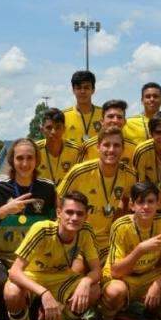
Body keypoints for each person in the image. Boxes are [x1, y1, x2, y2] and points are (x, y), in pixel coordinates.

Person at [0, 138, 57, 320]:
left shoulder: (47, 189)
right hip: (2, 256)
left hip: (35, 259)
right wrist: (1, 212)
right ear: (12, 160)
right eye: (19, 158)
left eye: (30, 157)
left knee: (29, 288)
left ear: (37, 160)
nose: (25, 163)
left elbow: (54, 227)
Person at [4, 191, 101, 320]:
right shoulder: (42, 229)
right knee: (12, 292)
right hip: (33, 276)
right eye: (69, 212)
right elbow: (14, 272)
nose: (74, 218)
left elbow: (96, 270)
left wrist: (85, 282)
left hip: (61, 277)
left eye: (80, 213)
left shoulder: (85, 231)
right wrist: (43, 292)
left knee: (94, 290)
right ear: (58, 213)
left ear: (86, 216)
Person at [101, 181, 161, 320]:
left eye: (150, 201)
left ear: (158, 204)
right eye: (140, 202)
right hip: (123, 277)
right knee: (115, 292)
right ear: (131, 205)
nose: (146, 206)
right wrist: (139, 250)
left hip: (147, 274)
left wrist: (158, 285)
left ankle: (149, 316)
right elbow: (116, 272)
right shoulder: (121, 226)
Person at [58, 126, 137, 263]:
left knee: (118, 271)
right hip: (78, 236)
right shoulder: (79, 171)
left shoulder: (129, 175)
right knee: (78, 269)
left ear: (123, 149)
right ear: (98, 147)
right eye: (106, 145)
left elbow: (126, 202)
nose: (111, 150)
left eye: (116, 145)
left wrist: (115, 226)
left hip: (106, 241)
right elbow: (59, 199)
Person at [35, 108, 84, 186]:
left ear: (64, 129)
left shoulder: (76, 150)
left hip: (68, 197)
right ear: (42, 129)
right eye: (49, 128)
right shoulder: (34, 150)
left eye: (58, 127)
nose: (53, 132)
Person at [81, 99, 138, 166]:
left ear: (124, 122)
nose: (115, 120)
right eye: (110, 116)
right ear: (102, 121)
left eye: (119, 117)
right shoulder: (88, 147)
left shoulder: (134, 148)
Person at [62, 70, 103, 143]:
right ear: (73, 90)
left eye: (86, 88)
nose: (82, 91)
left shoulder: (104, 114)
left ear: (93, 90)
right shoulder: (63, 116)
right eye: (78, 88)